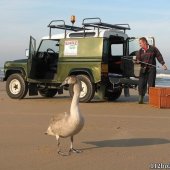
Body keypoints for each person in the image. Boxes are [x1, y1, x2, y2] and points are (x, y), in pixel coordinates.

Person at [136, 37, 167, 104]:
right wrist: (137, 61)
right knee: (141, 84)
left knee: (151, 84)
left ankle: (152, 99)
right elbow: (138, 59)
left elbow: (159, 56)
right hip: (143, 69)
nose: (140, 44)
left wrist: (163, 64)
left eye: (140, 43)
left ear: (144, 42)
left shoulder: (153, 48)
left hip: (151, 69)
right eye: (139, 43)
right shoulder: (140, 51)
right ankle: (140, 99)